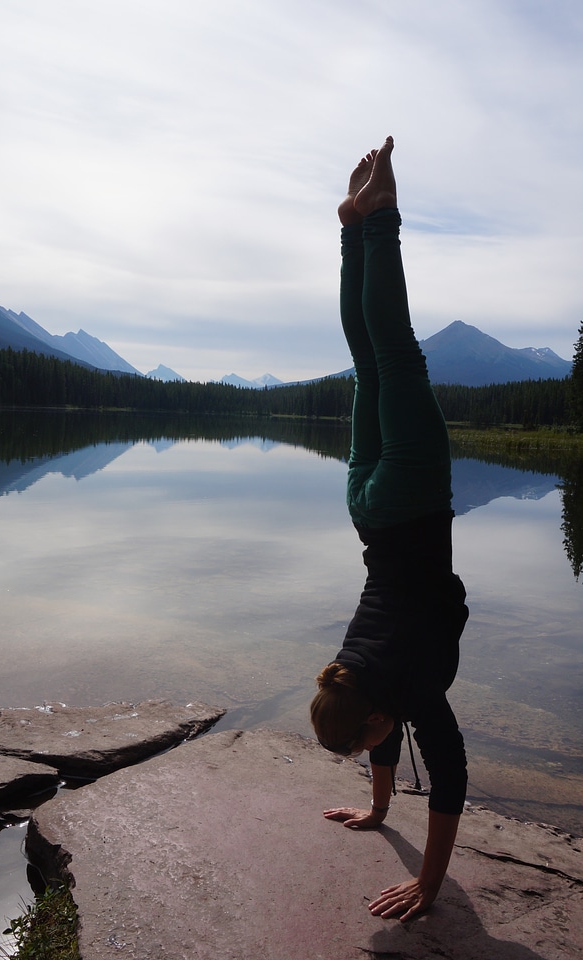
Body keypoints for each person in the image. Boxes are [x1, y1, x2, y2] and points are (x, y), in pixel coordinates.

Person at [310, 136, 469, 922]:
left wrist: (429, 887)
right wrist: (376, 815)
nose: (373, 748)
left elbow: (450, 777)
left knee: (396, 358)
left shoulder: (412, 686)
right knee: (371, 366)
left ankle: (382, 217)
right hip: (365, 510)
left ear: (377, 719)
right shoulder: (353, 673)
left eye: (367, 743)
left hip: (409, 496)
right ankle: (352, 226)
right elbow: (380, 730)